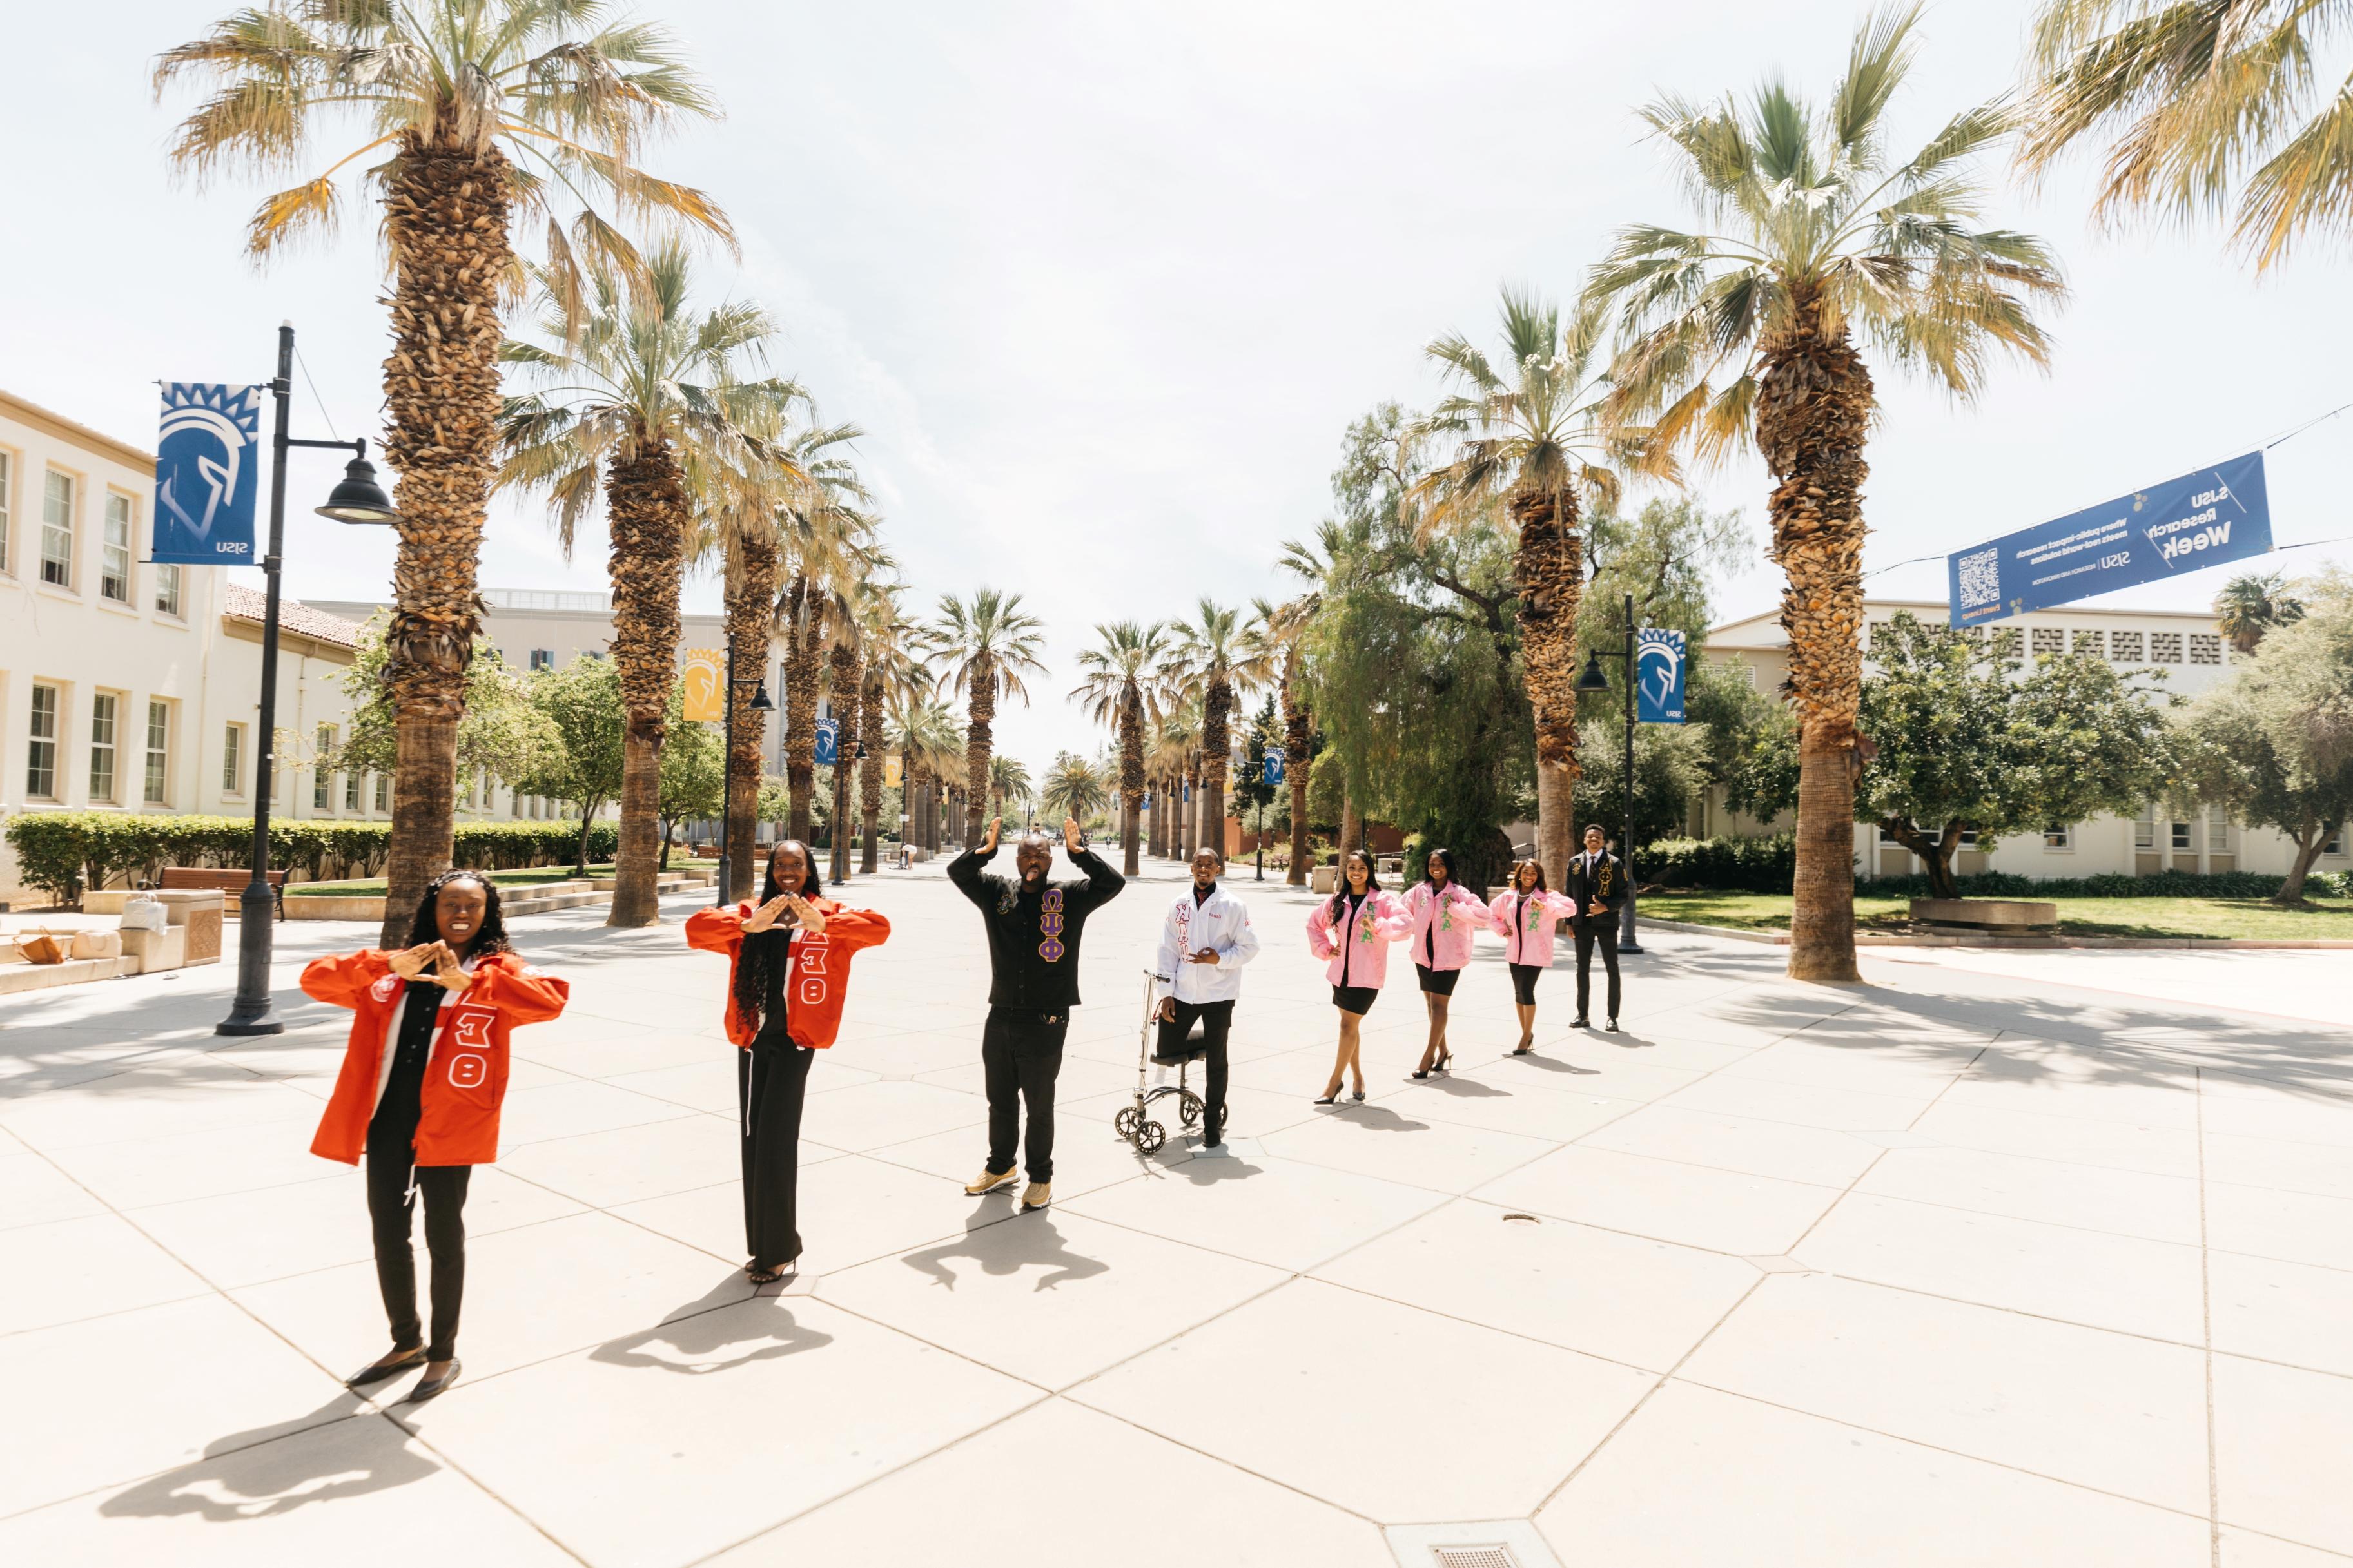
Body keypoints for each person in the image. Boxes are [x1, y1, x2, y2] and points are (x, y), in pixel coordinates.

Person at [304, 871, 570, 1404]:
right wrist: (387, 965)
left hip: (450, 1124)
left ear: (487, 914)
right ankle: (406, 1342)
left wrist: (472, 987)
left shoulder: (494, 970)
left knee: (444, 1235)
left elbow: (551, 999)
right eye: (451, 904)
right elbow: (316, 978)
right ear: (434, 909)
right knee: (388, 1230)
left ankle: (443, 1352)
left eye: (473, 906)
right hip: (387, 1119)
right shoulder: (397, 968)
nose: (461, 914)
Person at [687, 840, 892, 1284]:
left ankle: (779, 1250)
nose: (787, 870)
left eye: (795, 863)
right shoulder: (753, 911)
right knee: (755, 1138)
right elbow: (696, 929)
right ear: (771, 870)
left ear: (808, 869)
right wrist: (750, 925)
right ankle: (762, 1243)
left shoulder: (827, 911)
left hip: (796, 1043)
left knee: (776, 1140)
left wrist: (824, 922)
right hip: (753, 1038)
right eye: (780, 863)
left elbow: (879, 928)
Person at [948, 814, 1124, 1211]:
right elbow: (958, 873)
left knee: (1039, 1105)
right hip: (1001, 1015)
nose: (1033, 861)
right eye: (1026, 854)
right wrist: (983, 851)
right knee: (1001, 1101)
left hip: (1046, 1019)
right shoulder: (996, 892)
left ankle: (1040, 1179)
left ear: (1050, 859)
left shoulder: (1069, 895)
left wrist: (1082, 855)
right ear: (1015, 859)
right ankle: (1000, 1166)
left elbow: (1112, 883)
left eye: (1041, 855)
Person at [1153, 846, 1261, 1148]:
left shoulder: (1233, 905)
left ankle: (1211, 1122)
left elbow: (1250, 947)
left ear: (1219, 869)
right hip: (1184, 992)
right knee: (1167, 1050)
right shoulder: (1179, 905)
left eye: (1209, 864)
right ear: (1191, 868)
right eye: (1198, 864)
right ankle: (1210, 1038)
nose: (1203, 869)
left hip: (1219, 994)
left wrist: (1219, 960)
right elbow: (1167, 949)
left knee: (1217, 1061)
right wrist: (1166, 994)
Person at [1303, 849, 1410, 1104]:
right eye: (1352, 868)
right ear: (1346, 872)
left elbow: (1406, 923)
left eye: (1362, 868)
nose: (1356, 873)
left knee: (1347, 1026)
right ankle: (1358, 1077)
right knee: (1350, 1029)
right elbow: (1313, 924)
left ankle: (1333, 1083)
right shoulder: (1337, 901)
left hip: (1366, 975)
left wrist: (1379, 927)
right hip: (1341, 975)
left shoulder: (1382, 901)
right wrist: (1327, 949)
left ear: (1369, 871)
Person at [1402, 846, 1492, 1078]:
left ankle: (1428, 1056)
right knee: (1431, 1006)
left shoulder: (1459, 893)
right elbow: (1400, 911)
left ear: (1449, 867)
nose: (1436, 869)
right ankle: (1443, 1052)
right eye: (1432, 865)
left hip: (1448, 957)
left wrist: (1456, 908)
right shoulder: (1419, 891)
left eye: (1440, 865)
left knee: (1439, 1006)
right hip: (1423, 955)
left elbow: (1484, 915)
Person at [1489, 859, 1581, 1054]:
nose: (1529, 876)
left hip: (1536, 952)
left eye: (1533, 873)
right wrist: (1503, 930)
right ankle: (1526, 1034)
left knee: (1527, 991)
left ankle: (1525, 1035)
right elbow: (1491, 914)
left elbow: (1571, 908)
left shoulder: (1547, 897)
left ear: (1538, 876)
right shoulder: (1508, 896)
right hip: (1515, 952)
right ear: (1519, 874)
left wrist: (1546, 908)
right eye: (1525, 873)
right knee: (1518, 993)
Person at [1565, 824, 1627, 1030]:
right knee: (1582, 969)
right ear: (1585, 840)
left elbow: (1624, 894)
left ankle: (1612, 1017)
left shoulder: (1615, 863)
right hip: (1581, 924)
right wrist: (1569, 923)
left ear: (1603, 841)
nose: (1594, 840)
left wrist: (1605, 908)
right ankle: (1582, 1015)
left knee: (1613, 970)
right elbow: (1569, 896)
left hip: (1607, 924)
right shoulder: (1574, 863)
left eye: (1598, 837)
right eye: (1590, 837)